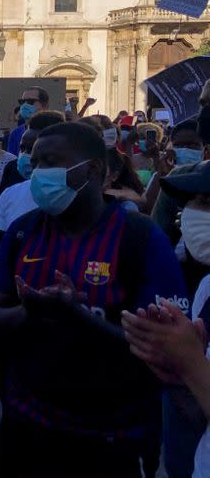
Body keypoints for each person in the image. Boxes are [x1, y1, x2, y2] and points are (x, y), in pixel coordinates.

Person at [0, 121, 188, 477]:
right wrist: (27, 313)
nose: (38, 173)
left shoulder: (138, 238)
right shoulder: (23, 231)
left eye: (50, 162)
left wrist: (78, 316)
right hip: (27, 426)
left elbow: (164, 349)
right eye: (34, 163)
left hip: (113, 437)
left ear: (92, 169)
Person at [123, 161, 210, 477]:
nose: (192, 213)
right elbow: (196, 413)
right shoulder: (206, 289)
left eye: (207, 202)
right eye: (192, 202)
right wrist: (177, 379)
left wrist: (191, 364)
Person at [0, 112, 66, 233]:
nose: (26, 155)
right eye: (22, 148)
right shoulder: (10, 192)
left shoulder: (71, 195)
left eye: (32, 149)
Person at [151, 119, 209, 244]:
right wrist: (162, 175)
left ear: (205, 148)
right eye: (179, 145)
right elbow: (159, 225)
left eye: (192, 145)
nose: (185, 149)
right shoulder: (174, 177)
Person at [6, 86, 49, 156]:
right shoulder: (15, 133)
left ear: (45, 106)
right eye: (22, 102)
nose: (25, 105)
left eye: (30, 101)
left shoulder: (54, 131)